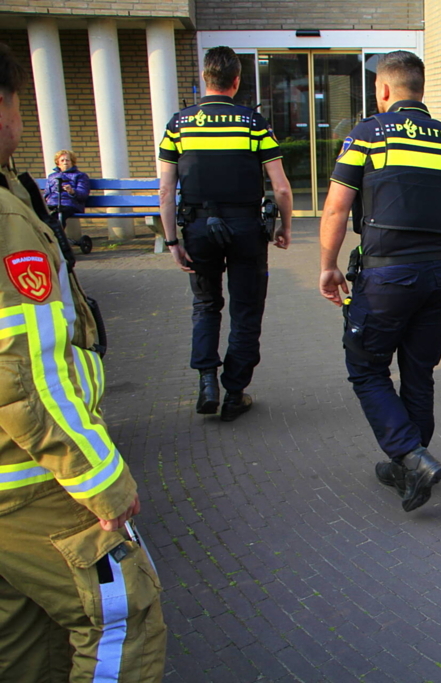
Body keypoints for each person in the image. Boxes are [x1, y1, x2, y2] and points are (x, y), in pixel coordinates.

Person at [0, 43, 166, 681]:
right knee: (124, 619)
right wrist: (101, 478)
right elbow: (29, 376)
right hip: (35, 484)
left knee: (24, 645)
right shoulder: (7, 219)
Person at [319, 50, 441, 512]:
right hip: (439, 274)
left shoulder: (367, 134)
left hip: (387, 275)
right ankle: (409, 466)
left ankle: (411, 457)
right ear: (421, 89)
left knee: (366, 368)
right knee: (419, 371)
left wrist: (327, 265)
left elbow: (335, 207)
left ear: (384, 90)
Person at [158, 46, 293, 421]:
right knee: (246, 309)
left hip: (198, 227)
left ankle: (206, 382)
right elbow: (280, 187)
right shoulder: (253, 122)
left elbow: (166, 191)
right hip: (247, 228)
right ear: (236, 81)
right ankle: (235, 392)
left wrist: (172, 241)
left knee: (205, 305)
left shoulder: (178, 124)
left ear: (205, 78)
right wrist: (285, 226)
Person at [44, 148, 90, 226]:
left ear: (72, 162)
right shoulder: (52, 176)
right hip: (52, 203)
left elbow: (83, 194)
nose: (65, 162)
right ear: (58, 163)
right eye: (62, 160)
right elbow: (47, 193)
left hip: (70, 203)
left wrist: (72, 191)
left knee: (58, 215)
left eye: (67, 160)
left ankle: (58, 237)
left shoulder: (80, 176)